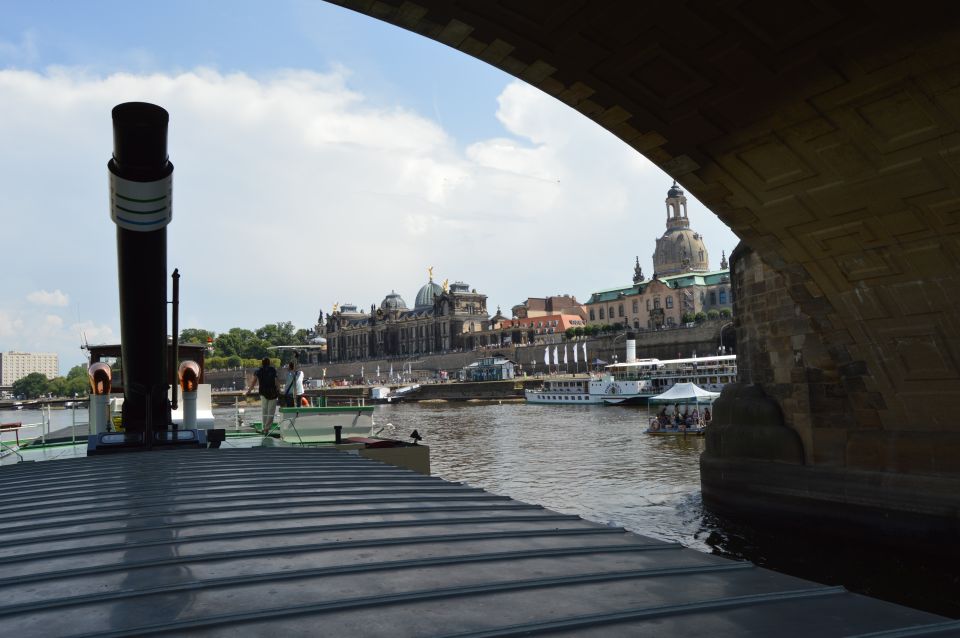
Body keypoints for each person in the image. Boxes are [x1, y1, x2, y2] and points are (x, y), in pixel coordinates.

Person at [245, 357, 278, 435]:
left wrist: (249, 391)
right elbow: (276, 381)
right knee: (271, 411)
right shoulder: (273, 370)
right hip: (273, 392)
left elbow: (253, 382)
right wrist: (279, 390)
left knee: (264, 410)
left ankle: (264, 428)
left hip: (263, 392)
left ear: (262, 363)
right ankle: (267, 428)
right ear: (269, 363)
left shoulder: (258, 371)